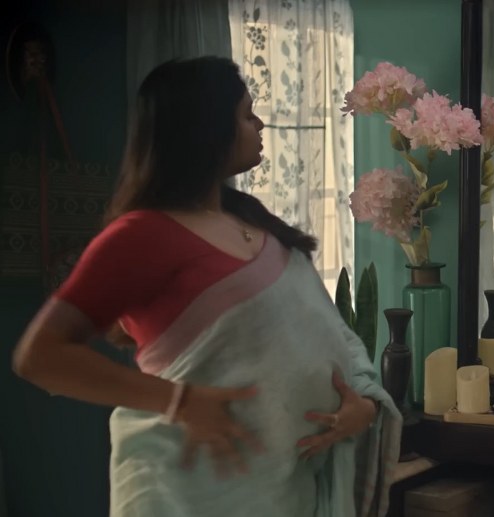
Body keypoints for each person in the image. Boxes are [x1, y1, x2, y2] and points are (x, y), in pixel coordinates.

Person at [12, 56, 401, 517]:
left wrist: (364, 408)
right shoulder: (140, 235)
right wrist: (180, 401)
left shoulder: (255, 221)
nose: (260, 125)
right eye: (247, 114)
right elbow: (40, 356)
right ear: (206, 127)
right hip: (186, 493)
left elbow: (333, 333)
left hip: (286, 489)